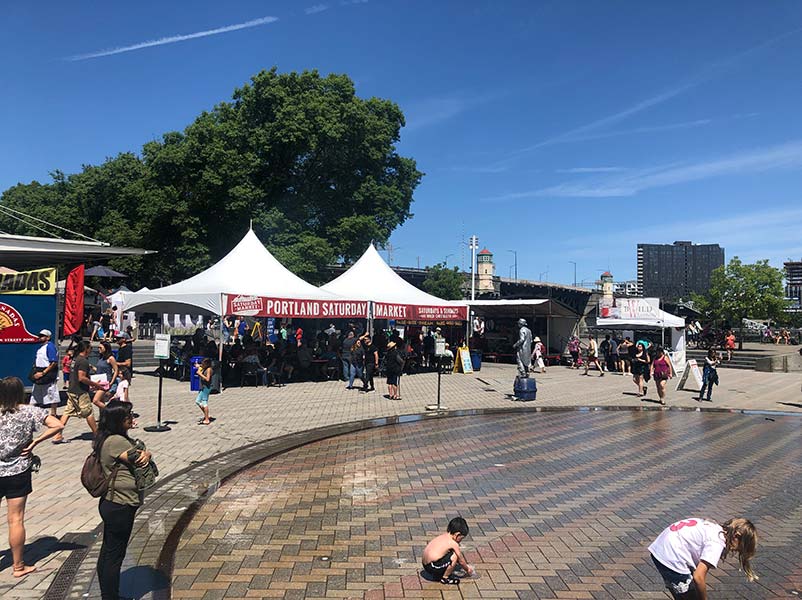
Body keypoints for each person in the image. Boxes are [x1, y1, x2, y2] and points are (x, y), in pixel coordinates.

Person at [0, 377, 64, 578]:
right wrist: (35, 442)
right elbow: (57, 425)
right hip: (18, 470)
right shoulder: (29, 411)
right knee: (15, 519)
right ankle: (18, 566)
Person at [95, 400, 155, 600]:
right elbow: (140, 458)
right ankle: (111, 596)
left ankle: (108, 594)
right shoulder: (117, 441)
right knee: (114, 555)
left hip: (111, 503)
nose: (132, 418)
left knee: (108, 551)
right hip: (121, 504)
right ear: (119, 420)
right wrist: (147, 452)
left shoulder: (106, 438)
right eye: (129, 416)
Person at [649, 517, 757, 599]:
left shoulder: (714, 528)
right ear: (736, 536)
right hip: (672, 556)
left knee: (685, 593)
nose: (735, 551)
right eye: (739, 548)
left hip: (660, 547)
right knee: (691, 596)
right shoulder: (717, 543)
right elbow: (698, 577)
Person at [60, 341, 105, 438]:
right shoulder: (83, 361)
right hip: (80, 391)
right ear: (86, 349)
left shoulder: (75, 359)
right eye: (90, 348)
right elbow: (82, 377)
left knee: (67, 412)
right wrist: (95, 384)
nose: (91, 350)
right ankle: (97, 434)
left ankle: (58, 434)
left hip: (72, 389)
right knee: (88, 412)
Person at [421, 517, 475, 585]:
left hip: (425, 564)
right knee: (455, 556)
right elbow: (461, 560)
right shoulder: (453, 543)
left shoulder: (444, 536)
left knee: (449, 554)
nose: (460, 541)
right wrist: (468, 569)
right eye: (461, 538)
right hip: (432, 567)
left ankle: (438, 574)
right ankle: (445, 578)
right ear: (457, 534)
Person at [30, 329, 60, 417]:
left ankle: (53, 414)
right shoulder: (41, 347)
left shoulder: (50, 346)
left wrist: (43, 373)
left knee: (52, 394)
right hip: (39, 372)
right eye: (39, 336)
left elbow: (53, 362)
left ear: (48, 337)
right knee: (35, 394)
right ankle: (32, 413)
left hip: (47, 373)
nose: (40, 337)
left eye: (42, 336)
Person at [92, 341, 119, 409]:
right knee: (101, 401)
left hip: (106, 382)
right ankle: (104, 417)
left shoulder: (110, 358)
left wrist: (112, 382)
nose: (99, 349)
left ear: (106, 348)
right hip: (99, 381)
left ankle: (110, 412)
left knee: (95, 400)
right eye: (98, 348)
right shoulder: (101, 358)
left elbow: (116, 370)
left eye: (100, 347)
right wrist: (92, 367)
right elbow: (99, 370)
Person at [195, 358, 212, 425]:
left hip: (206, 388)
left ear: (207, 364)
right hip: (203, 387)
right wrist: (198, 366)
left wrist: (200, 374)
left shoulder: (209, 369)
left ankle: (207, 419)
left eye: (203, 364)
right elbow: (200, 367)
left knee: (204, 402)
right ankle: (206, 415)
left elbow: (208, 379)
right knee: (197, 401)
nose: (202, 365)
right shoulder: (205, 368)